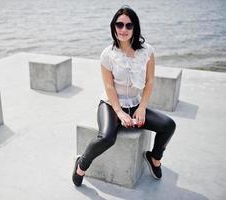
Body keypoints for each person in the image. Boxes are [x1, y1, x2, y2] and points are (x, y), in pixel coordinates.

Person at [72, 6, 176, 187]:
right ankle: (81, 164)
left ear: (135, 28)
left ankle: (154, 159)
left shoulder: (147, 51)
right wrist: (119, 112)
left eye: (129, 25)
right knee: (106, 138)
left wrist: (142, 107)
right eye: (119, 25)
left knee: (168, 125)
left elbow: (150, 81)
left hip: (135, 104)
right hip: (110, 104)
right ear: (113, 27)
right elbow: (109, 86)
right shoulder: (107, 54)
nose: (123, 30)